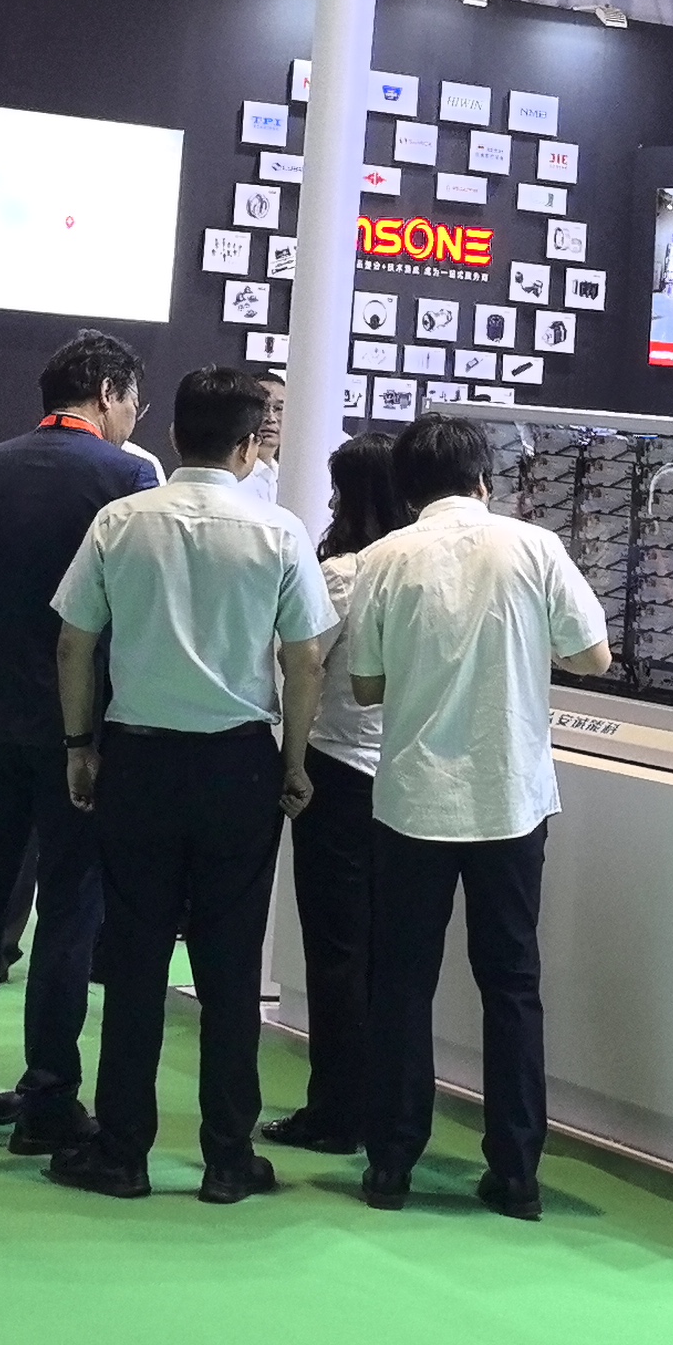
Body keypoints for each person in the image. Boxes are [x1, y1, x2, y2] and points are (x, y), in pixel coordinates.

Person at [47, 364, 333, 1203]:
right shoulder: (279, 532)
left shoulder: (120, 521)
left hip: (137, 761)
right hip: (239, 765)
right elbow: (306, 659)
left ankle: (122, 1151)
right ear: (250, 447)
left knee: (134, 959)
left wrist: (79, 745)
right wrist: (293, 761)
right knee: (231, 968)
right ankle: (227, 1157)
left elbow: (74, 642)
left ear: (174, 435)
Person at [349, 409, 613, 1221]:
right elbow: (594, 655)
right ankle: (517, 1172)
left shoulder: (383, 559)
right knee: (513, 984)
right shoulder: (534, 547)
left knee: (401, 984)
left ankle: (391, 1162)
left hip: (412, 801)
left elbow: (365, 686)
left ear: (407, 488)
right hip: (510, 796)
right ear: (483, 480)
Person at [0, 329, 158, 1149]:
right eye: (132, 403)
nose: (133, 419)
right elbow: (131, 607)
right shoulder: (129, 478)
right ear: (107, 393)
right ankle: (49, 1097)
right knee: (69, 909)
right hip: (78, 724)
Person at [269, 432, 405, 1156]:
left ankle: (336, 1111)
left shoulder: (343, 575)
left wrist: (291, 762)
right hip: (406, 777)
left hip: (339, 769)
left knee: (336, 950)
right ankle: (386, 1108)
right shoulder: (419, 569)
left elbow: (305, 665)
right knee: (392, 953)